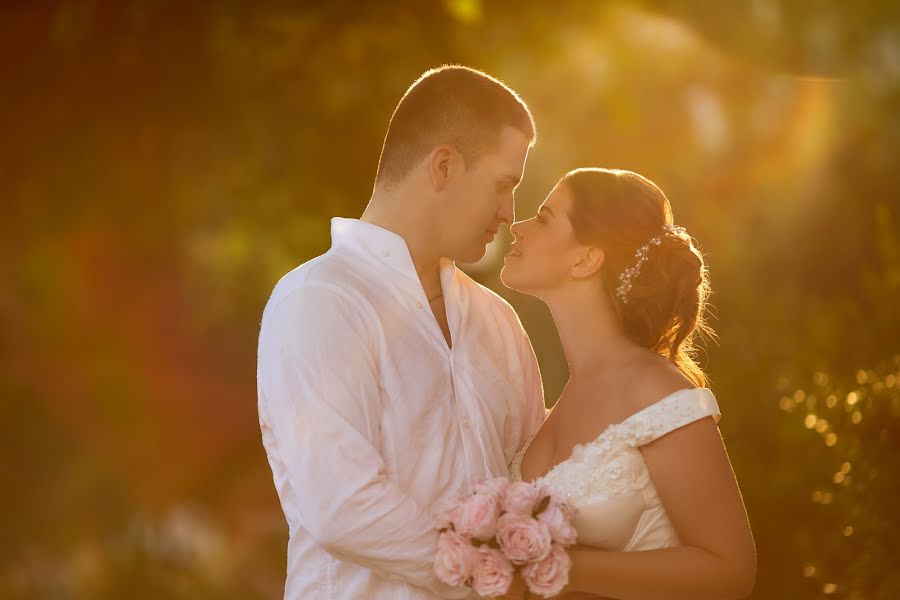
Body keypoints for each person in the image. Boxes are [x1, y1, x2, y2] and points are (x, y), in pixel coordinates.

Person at [256, 65, 546, 599]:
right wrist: (489, 582)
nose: (510, 213)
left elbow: (533, 479)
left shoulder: (498, 321)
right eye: (504, 186)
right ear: (443, 165)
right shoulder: (318, 302)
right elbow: (342, 505)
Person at [501, 168, 756, 599]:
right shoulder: (558, 401)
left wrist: (562, 565)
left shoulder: (656, 392)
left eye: (543, 218)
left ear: (585, 259)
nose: (517, 226)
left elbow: (729, 571)